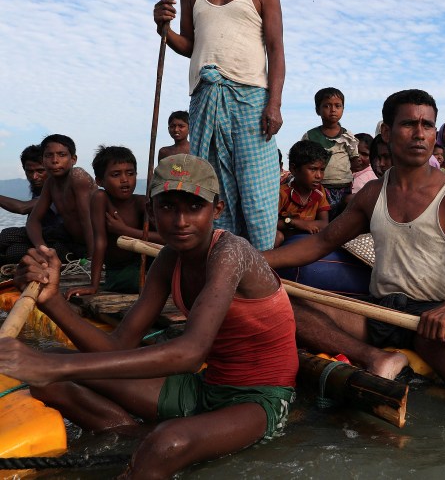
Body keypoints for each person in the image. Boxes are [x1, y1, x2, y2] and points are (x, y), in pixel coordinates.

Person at [1, 154, 298, 478]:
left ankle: (154, 445)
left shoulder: (232, 251)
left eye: (194, 207)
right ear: (152, 211)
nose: (181, 221)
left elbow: (190, 353)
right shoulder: (169, 258)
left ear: (217, 210)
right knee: (51, 380)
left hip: (259, 400)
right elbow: (117, 348)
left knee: (165, 443)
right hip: (204, 388)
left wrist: (50, 367)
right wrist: (53, 301)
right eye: (168, 207)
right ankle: (130, 437)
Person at [264, 90, 445, 397]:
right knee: (287, 307)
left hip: (432, 316)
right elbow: (321, 242)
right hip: (379, 312)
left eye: (427, 125)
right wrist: (257, 258)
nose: (419, 134)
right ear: (387, 132)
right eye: (409, 124)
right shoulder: (373, 193)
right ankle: (377, 358)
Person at [153, 0, 285, 252]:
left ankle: (260, 270)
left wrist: (274, 104)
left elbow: (276, 51)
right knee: (215, 188)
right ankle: (223, 264)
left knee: (256, 193)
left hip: (251, 101)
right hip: (206, 98)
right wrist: (162, 28)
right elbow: (189, 45)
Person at [67, 146, 163, 298]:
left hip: (149, 264)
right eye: (116, 174)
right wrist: (94, 285)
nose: (125, 180)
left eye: (130, 173)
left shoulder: (141, 203)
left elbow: (166, 239)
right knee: (146, 282)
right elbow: (100, 242)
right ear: (100, 180)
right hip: (120, 272)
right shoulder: (101, 198)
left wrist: (125, 230)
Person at [26, 134, 95, 262]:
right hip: (70, 240)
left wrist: (93, 259)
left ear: (73, 159)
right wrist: (42, 249)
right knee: (9, 237)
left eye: (61, 155)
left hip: (95, 244)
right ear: (43, 159)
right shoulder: (50, 183)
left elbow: (88, 221)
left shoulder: (77, 176)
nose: (55, 160)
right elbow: (32, 221)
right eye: (49, 155)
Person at [303, 87, 360, 218]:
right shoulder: (310, 136)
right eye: (327, 106)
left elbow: (354, 160)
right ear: (318, 110)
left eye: (337, 106)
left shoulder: (347, 136)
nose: (333, 110)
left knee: (343, 218)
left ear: (343, 109)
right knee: (322, 218)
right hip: (319, 186)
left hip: (344, 186)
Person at [0, 146, 51, 265]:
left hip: (59, 240)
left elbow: (22, 208)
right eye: (30, 171)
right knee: (12, 251)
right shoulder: (39, 189)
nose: (34, 177)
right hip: (40, 238)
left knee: (7, 236)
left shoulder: (56, 188)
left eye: (40, 171)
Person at [277, 140, 331, 246]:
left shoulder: (319, 191)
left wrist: (303, 224)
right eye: (313, 169)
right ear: (294, 169)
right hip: (286, 241)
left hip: (308, 241)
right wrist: (294, 222)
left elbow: (324, 223)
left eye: (322, 170)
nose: (319, 175)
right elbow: (271, 225)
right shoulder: (282, 193)